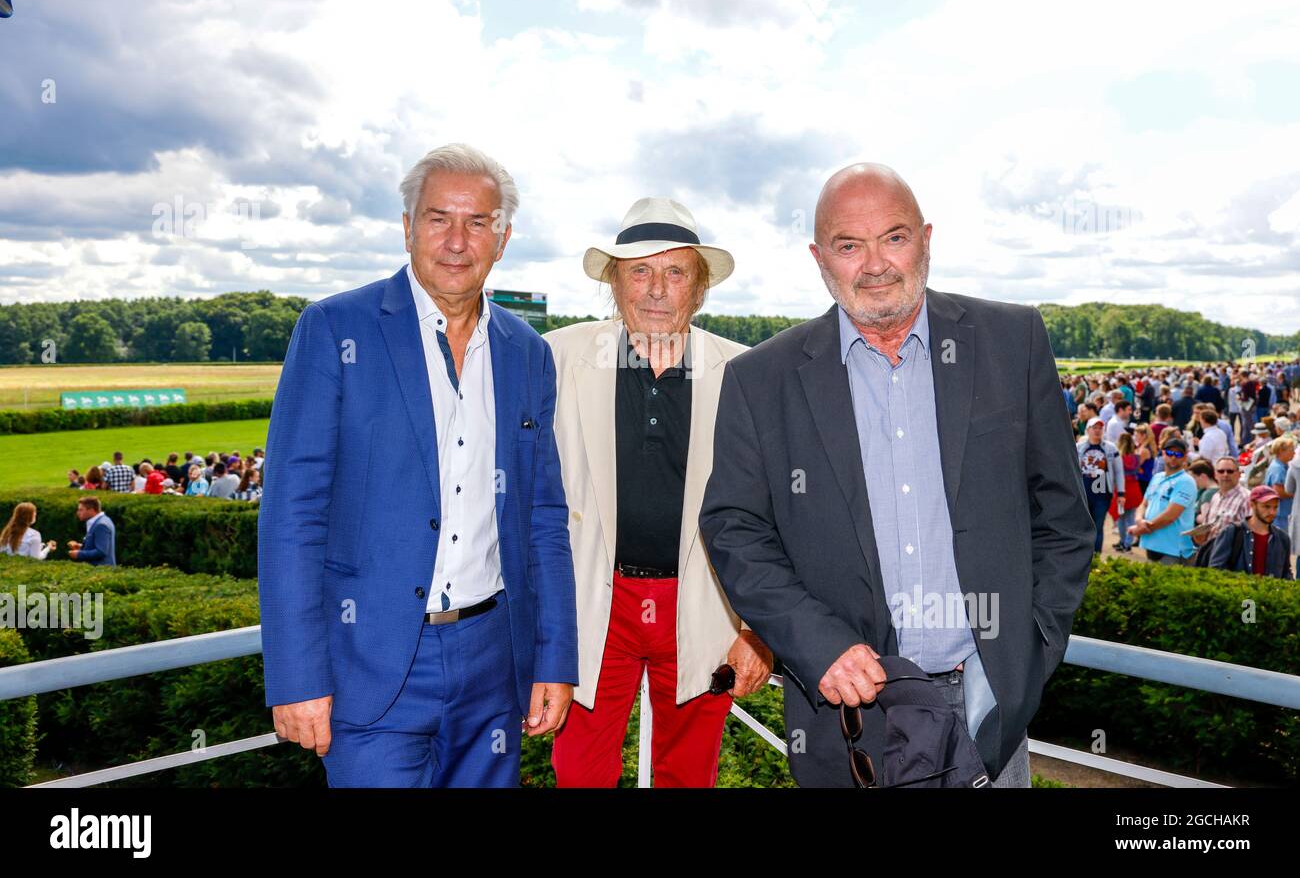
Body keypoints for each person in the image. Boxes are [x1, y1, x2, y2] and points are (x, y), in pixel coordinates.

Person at [699, 163, 1094, 788]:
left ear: (927, 239)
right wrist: (817, 643)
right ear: (819, 257)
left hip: (986, 701)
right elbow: (733, 528)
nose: (875, 263)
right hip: (848, 712)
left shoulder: (1011, 340)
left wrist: (1029, 648)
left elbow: (1063, 516)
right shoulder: (761, 379)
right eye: (849, 245)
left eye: (895, 237)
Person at [259, 142, 578, 788]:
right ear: (407, 227)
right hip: (368, 665)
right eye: (438, 218)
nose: (457, 240)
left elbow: (543, 516)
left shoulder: (527, 351)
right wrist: (297, 674)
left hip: (494, 664)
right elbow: (292, 514)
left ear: (504, 237)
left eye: (478, 222)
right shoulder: (332, 328)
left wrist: (555, 657)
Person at [543, 198, 773, 788]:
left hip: (703, 605)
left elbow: (774, 513)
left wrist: (756, 630)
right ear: (613, 283)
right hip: (592, 604)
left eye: (675, 273)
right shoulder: (557, 357)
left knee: (689, 775)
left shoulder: (743, 372)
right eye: (639, 271)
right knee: (579, 774)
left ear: (698, 288)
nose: (656, 290)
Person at [1128, 436, 1197, 565]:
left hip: (1174, 549)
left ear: (1185, 456)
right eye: (1170, 453)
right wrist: (1139, 520)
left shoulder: (1186, 481)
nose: (1173, 457)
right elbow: (1144, 503)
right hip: (1153, 544)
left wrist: (1142, 529)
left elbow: (1170, 516)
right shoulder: (1157, 477)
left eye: (1178, 454)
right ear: (1163, 453)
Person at [1207, 486, 1293, 579]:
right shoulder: (1232, 532)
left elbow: (1285, 572)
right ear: (1252, 504)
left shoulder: (1282, 538)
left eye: (1275, 507)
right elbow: (1216, 569)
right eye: (1266, 506)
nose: (1272, 512)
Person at [1078, 416, 1124, 555]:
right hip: (1083, 494)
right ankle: (1081, 555)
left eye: (1100, 428)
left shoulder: (1110, 448)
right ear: (1088, 430)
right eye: (1094, 428)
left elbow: (1119, 471)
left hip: (1102, 495)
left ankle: (1096, 556)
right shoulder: (1078, 447)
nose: (1097, 431)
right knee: (1082, 526)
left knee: (1098, 526)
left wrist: (1121, 493)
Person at [1109, 432, 1143, 552]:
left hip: (1121, 489)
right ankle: (1126, 542)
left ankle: (1125, 542)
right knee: (1129, 518)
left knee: (1122, 518)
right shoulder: (1136, 457)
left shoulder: (1118, 458)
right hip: (1134, 489)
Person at [66, 497, 116, 567]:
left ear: (91, 510)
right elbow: (98, 544)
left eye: (81, 510)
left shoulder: (101, 525)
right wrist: (81, 547)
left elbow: (101, 552)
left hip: (101, 571)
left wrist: (79, 554)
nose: (78, 513)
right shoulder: (103, 520)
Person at [1264, 436, 1295, 536]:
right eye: (1291, 450)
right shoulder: (1278, 469)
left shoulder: (1282, 466)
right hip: (1281, 514)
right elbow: (1279, 492)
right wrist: (1296, 493)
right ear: (1281, 451)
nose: (1294, 453)